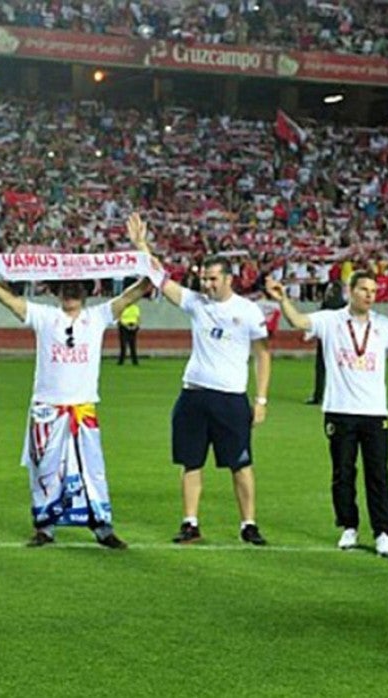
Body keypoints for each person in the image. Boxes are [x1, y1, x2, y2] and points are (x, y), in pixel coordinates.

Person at [267, 272, 388, 559]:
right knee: (343, 473)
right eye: (364, 289)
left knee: (378, 474)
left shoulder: (383, 325)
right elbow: (298, 322)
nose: (370, 295)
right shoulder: (331, 320)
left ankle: (384, 532)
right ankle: (349, 526)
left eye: (374, 290)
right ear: (350, 290)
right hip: (339, 411)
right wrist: (283, 299)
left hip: (374, 412)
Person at [128, 215, 272, 546]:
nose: (205, 284)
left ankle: (248, 524)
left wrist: (261, 400)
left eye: (211, 279)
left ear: (228, 278)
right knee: (191, 462)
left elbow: (263, 355)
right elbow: (160, 278)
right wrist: (140, 245)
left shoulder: (248, 311)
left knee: (241, 464)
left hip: (230, 398)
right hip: (193, 395)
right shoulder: (195, 303)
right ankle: (190, 523)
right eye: (203, 278)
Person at [0, 273, 151, 548]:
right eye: (66, 287)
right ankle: (44, 526)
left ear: (86, 292)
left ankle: (102, 525)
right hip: (47, 408)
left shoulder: (98, 316)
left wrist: (147, 264)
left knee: (92, 470)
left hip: (82, 408)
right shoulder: (44, 316)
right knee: (44, 470)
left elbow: (132, 294)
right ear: (57, 291)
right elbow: (14, 303)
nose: (71, 292)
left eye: (76, 288)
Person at [307, 282, 345, 405]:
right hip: (339, 342)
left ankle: (318, 396)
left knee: (321, 369)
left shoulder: (326, 305)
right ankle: (338, 397)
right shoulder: (345, 306)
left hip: (326, 340)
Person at [117, 293, 141, 366]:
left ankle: (135, 361)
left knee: (132, 344)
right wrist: (126, 326)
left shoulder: (136, 308)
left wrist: (136, 326)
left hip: (133, 326)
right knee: (123, 344)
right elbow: (119, 318)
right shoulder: (122, 308)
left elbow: (138, 318)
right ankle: (121, 361)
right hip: (124, 326)